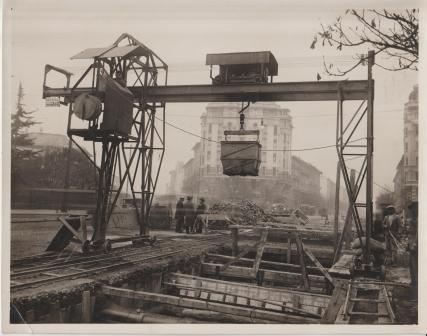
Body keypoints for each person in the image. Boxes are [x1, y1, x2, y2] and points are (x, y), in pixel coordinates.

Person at [407, 201, 418, 288]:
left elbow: (419, 233)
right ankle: (413, 282)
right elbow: (410, 234)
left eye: (413, 209)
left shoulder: (420, 219)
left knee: (416, 265)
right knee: (411, 264)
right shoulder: (413, 219)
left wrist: (414, 245)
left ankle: (417, 285)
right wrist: (408, 244)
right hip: (411, 244)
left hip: (416, 245)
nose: (412, 211)